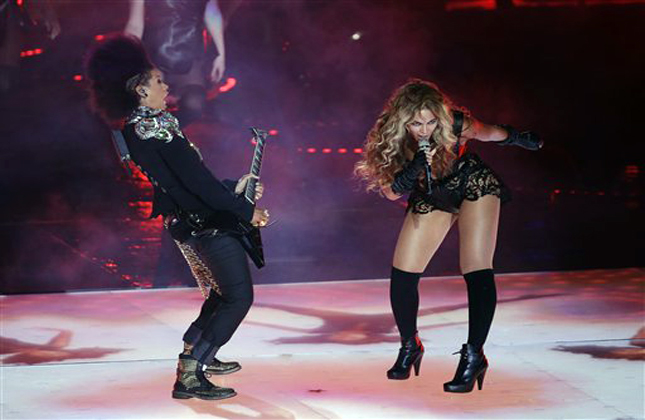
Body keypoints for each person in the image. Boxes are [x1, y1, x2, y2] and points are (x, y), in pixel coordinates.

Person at [85, 35, 269, 400]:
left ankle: (198, 353)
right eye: (158, 81)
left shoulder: (137, 128)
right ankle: (191, 371)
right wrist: (246, 209)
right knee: (237, 297)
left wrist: (232, 187)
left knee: (221, 294)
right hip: (206, 221)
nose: (167, 85)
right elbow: (196, 181)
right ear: (139, 90)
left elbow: (184, 181)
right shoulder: (158, 128)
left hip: (191, 218)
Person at [354, 79, 542, 393]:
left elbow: (491, 132)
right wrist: (414, 166)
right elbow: (389, 192)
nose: (425, 129)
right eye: (416, 123)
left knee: (476, 267)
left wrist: (521, 139)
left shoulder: (454, 122)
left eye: (430, 121)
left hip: (472, 183)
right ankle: (409, 346)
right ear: (403, 121)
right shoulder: (392, 137)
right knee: (403, 273)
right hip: (430, 193)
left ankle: (473, 357)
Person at [124, 0, 226, 126]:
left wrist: (220, 53)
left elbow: (212, 14)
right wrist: (127, 55)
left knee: (195, 104)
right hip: (152, 54)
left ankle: (169, 134)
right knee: (149, 104)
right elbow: (135, 25)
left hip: (189, 54)